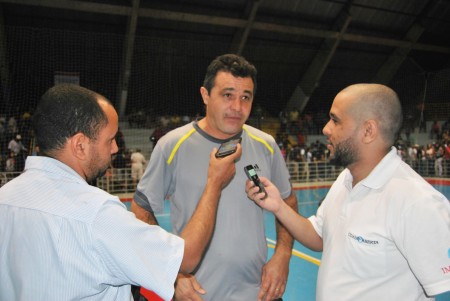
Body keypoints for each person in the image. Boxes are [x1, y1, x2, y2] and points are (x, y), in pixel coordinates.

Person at [0, 84, 241, 301]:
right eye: (110, 139)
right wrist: (214, 183)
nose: (115, 148)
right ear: (80, 145)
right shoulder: (96, 213)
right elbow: (186, 257)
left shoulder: (5, 199)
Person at [246, 83, 450, 300]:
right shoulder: (347, 179)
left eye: (335, 120)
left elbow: (442, 285)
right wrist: (278, 206)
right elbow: (319, 237)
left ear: (368, 130)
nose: (326, 129)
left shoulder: (416, 202)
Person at [131, 54, 298, 301]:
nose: (237, 107)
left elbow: (288, 202)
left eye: (245, 97)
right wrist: (174, 274)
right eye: (227, 95)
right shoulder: (173, 146)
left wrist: (283, 255)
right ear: (205, 95)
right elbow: (140, 211)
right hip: (198, 295)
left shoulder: (266, 145)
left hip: (259, 293)